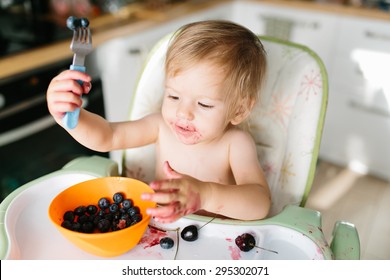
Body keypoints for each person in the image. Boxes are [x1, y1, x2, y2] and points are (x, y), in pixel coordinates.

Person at [46, 20, 271, 223]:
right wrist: (70, 115)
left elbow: (260, 202)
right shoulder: (160, 127)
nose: (183, 113)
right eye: (173, 96)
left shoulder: (236, 143)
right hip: (161, 232)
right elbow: (108, 136)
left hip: (219, 241)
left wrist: (206, 194)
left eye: (204, 104)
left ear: (239, 110)